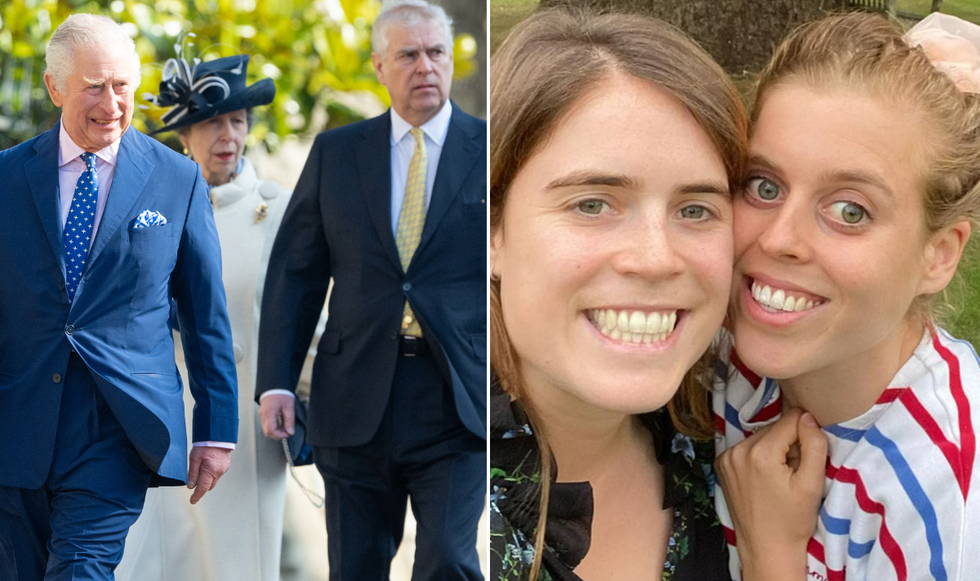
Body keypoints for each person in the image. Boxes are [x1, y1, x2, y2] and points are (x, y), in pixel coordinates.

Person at [713, 11, 980, 581]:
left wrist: (770, 558)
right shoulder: (717, 352)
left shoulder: (948, 502)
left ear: (938, 254)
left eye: (850, 211)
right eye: (764, 186)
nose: (778, 239)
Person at [488, 9, 749, 580]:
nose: (655, 258)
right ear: (492, 230)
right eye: (591, 204)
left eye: (695, 210)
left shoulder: (736, 429)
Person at [0, 13, 238, 580]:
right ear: (55, 87)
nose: (112, 104)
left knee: (82, 569)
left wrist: (216, 429)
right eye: (94, 86)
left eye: (123, 86)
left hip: (118, 423)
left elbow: (205, 314)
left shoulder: (177, 179)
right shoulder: (7, 178)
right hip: (17, 417)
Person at [255, 0, 487, 578]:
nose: (425, 66)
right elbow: (297, 273)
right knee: (355, 567)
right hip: (355, 395)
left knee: (449, 561)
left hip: (456, 396)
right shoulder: (337, 154)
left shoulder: (492, 150)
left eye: (436, 52)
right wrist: (277, 382)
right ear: (380, 66)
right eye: (408, 55)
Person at [115, 54, 289, 581]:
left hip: (245, 419)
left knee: (237, 560)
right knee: (158, 556)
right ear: (185, 134)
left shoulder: (277, 210)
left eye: (237, 121)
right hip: (165, 407)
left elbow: (302, 318)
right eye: (213, 122)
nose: (227, 135)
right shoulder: (150, 205)